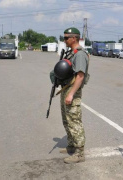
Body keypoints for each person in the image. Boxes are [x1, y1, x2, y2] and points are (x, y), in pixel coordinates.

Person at [52, 27, 89, 164]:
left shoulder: (80, 54)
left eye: (67, 37)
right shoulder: (71, 53)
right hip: (66, 89)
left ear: (74, 38)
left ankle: (80, 153)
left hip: (72, 91)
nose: (64, 40)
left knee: (74, 121)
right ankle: (72, 145)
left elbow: (80, 76)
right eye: (64, 37)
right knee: (66, 119)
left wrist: (71, 94)